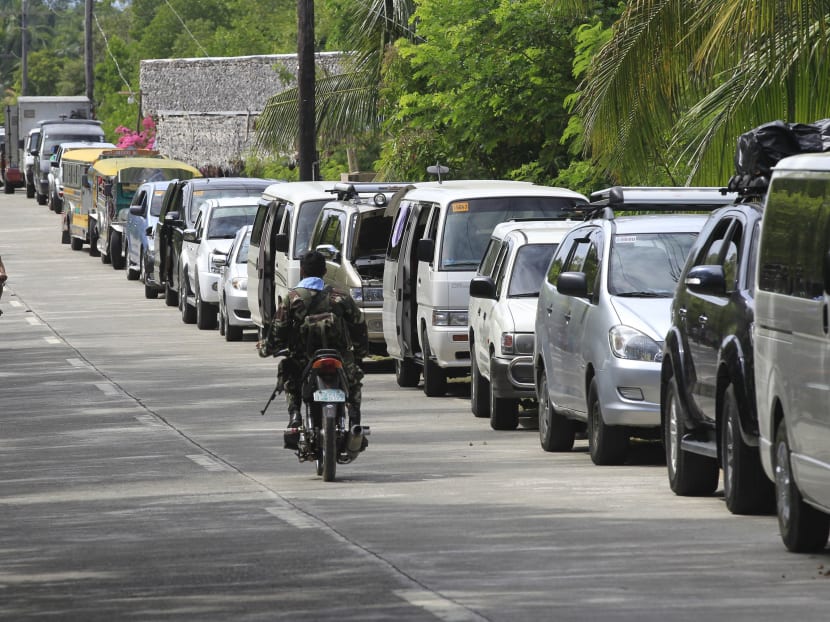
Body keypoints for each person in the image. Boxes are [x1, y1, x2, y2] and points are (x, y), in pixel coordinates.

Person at [257, 250, 368, 433]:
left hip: (304, 360)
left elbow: (278, 331)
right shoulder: (340, 297)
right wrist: (360, 354)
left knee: (287, 371)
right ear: (325, 271)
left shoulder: (292, 299)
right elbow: (359, 326)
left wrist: (265, 349)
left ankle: (295, 415)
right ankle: (354, 418)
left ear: (302, 271)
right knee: (354, 379)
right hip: (339, 358)